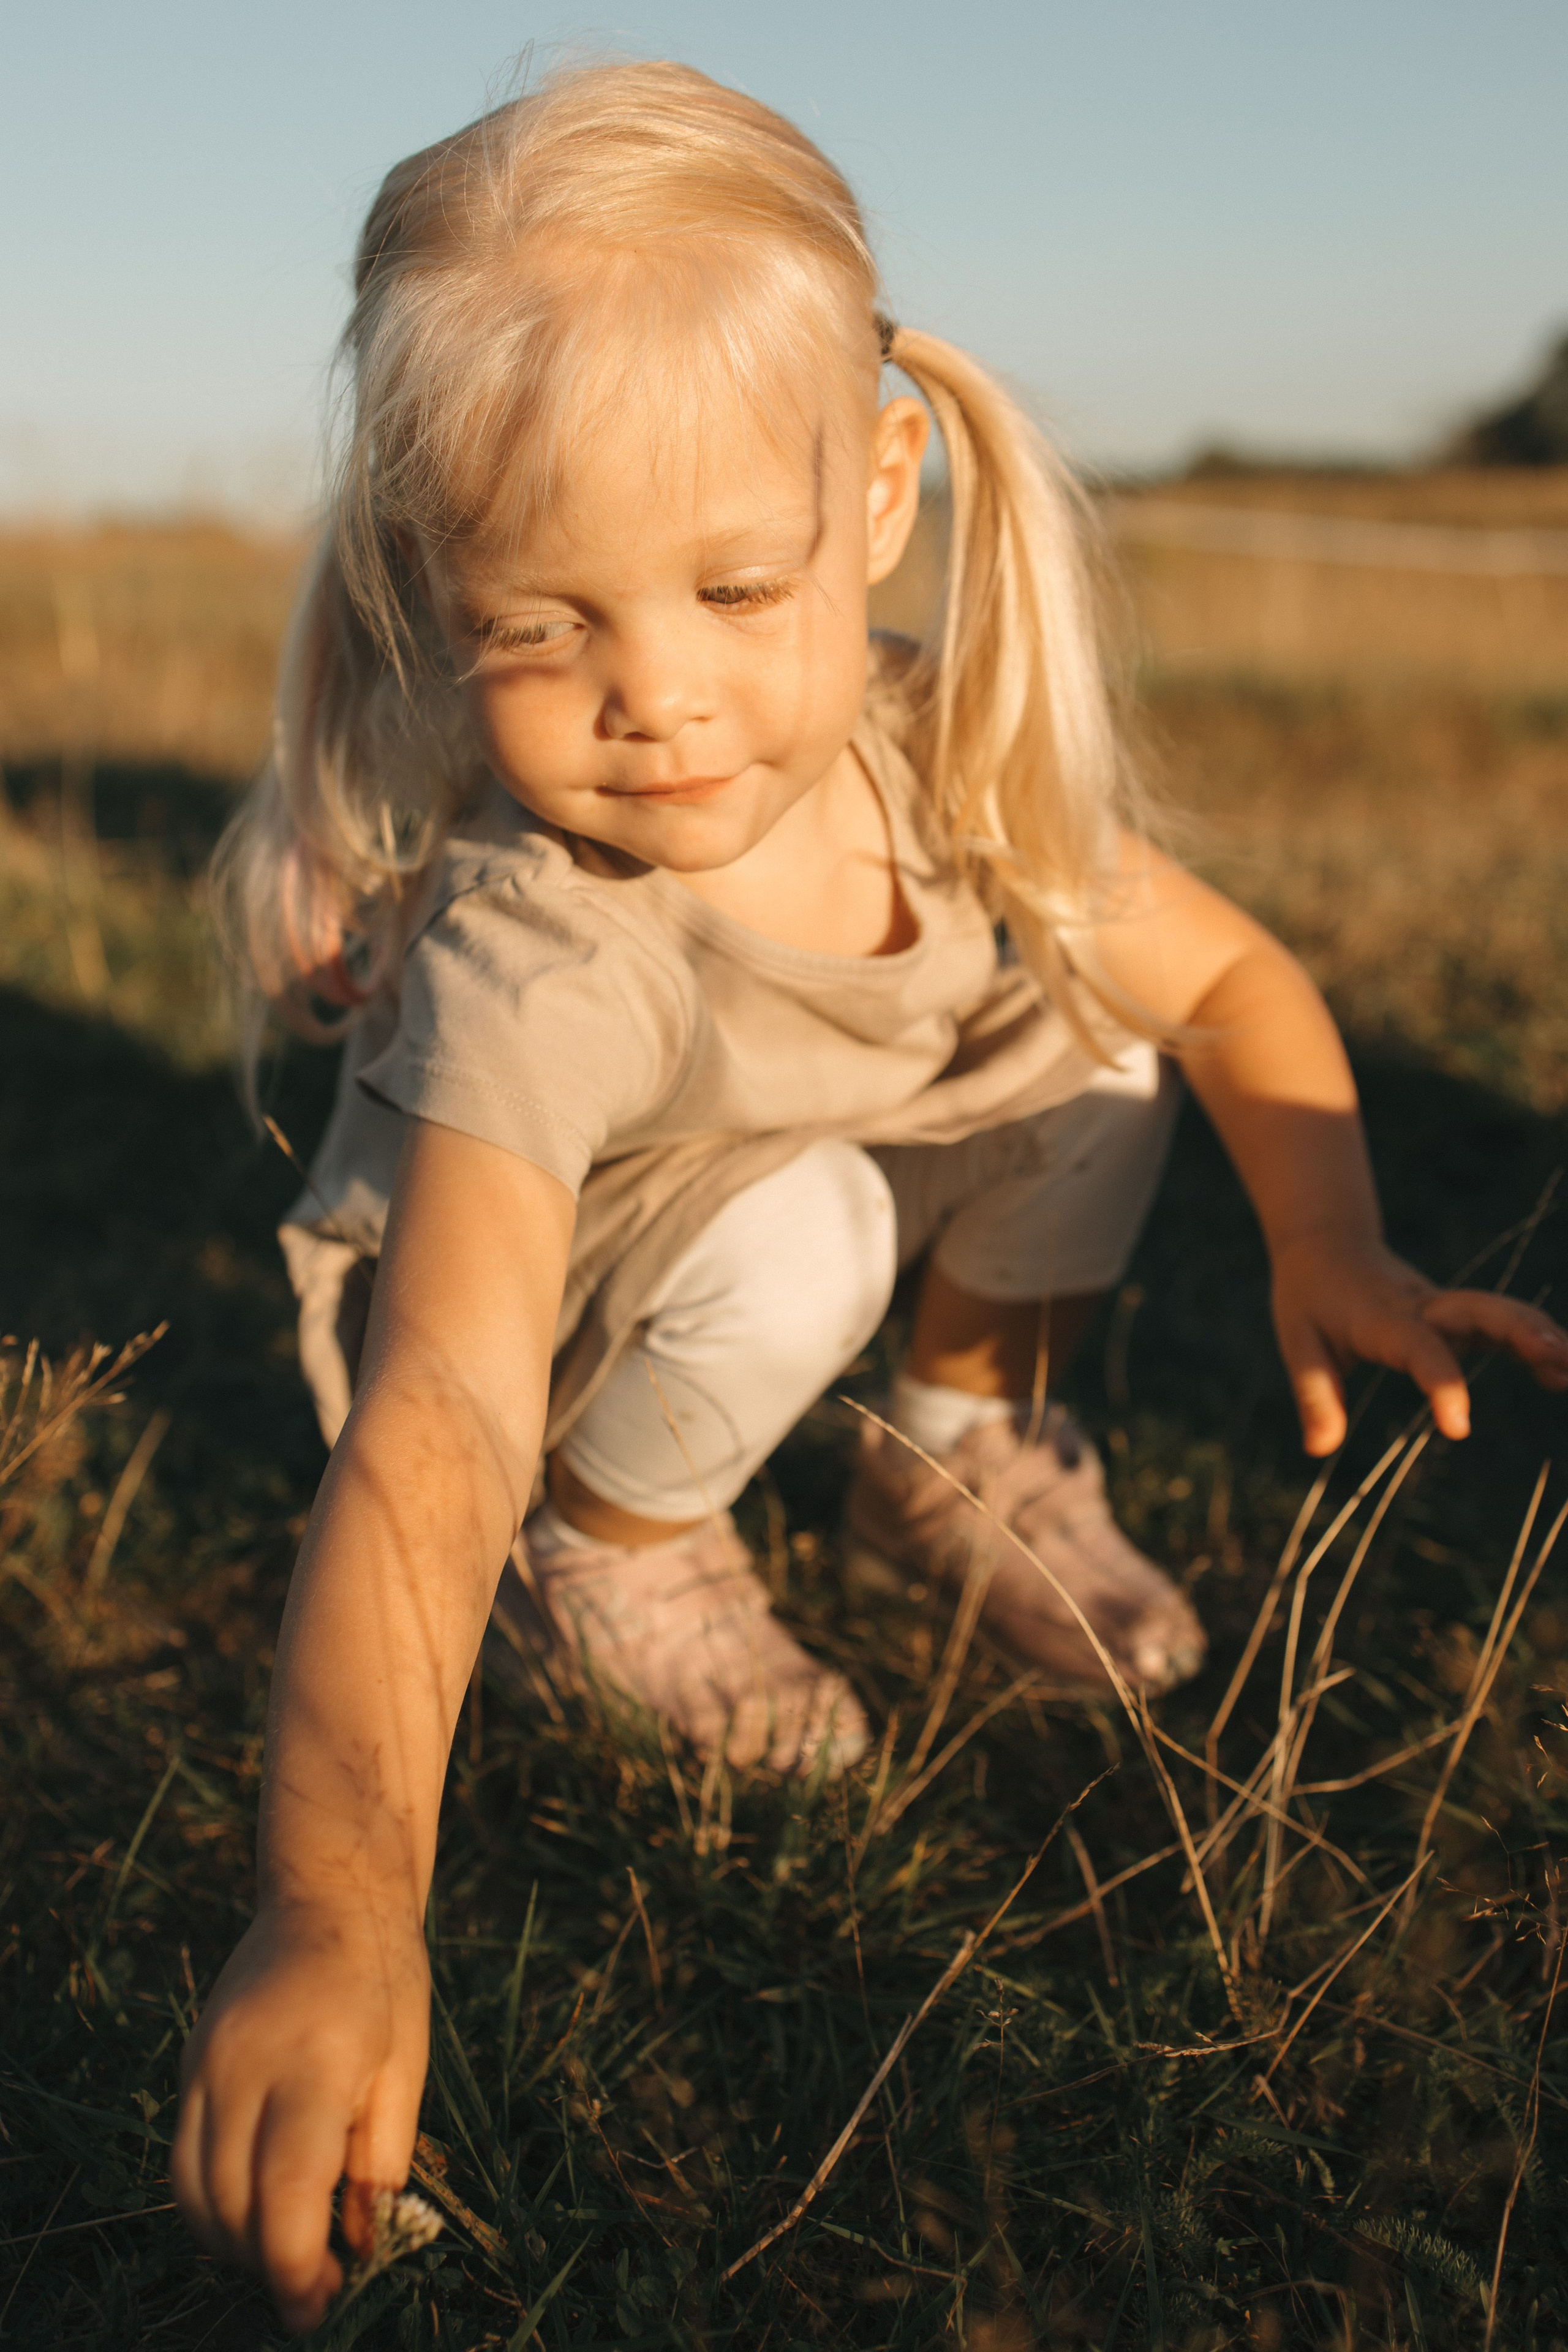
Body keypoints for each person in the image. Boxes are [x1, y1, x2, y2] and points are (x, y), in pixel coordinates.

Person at [172, 59, 1568, 2330]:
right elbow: (442, 1412)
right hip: (593, 1321)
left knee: (1095, 1030)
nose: (661, 698)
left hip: (787, 1206)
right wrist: (333, 1907)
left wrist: (1327, 1235)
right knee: (806, 1218)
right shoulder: (550, 939)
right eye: (545, 625)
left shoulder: (932, 746)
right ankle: (620, 1556)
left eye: (737, 586)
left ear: (883, 490)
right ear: (436, 595)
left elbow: (1226, 979)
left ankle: (956, 1442)